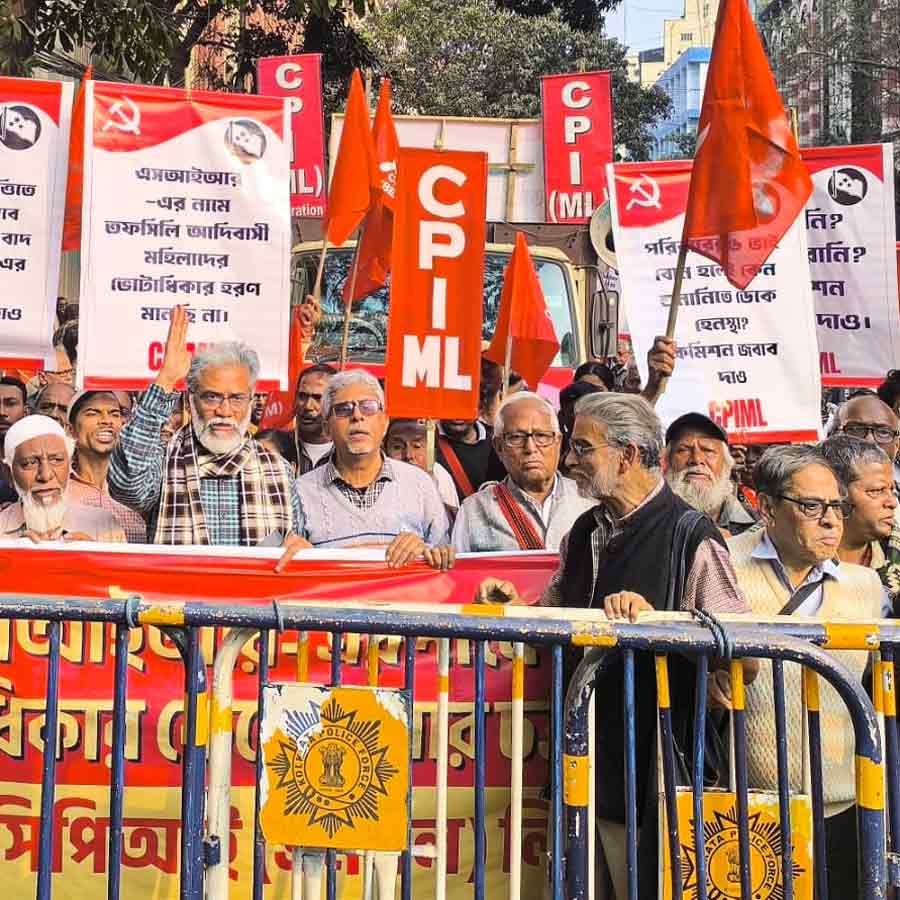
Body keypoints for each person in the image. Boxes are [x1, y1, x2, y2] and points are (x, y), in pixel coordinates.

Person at [475, 393, 756, 900]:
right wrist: (514, 605)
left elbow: (744, 656)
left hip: (657, 773)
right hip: (588, 761)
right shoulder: (584, 532)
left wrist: (659, 623)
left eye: (583, 447)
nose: (569, 460)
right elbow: (558, 611)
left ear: (626, 455)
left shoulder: (691, 535)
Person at [727, 444, 882, 898]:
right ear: (767, 507)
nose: (831, 520)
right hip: (748, 807)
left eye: (836, 505)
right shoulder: (721, 565)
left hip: (844, 805)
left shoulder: (866, 586)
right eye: (811, 506)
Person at [108, 306, 304, 555]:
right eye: (211, 397)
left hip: (256, 594)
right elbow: (129, 487)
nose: (224, 410)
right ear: (191, 400)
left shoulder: (279, 471)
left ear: (251, 400)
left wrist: (300, 548)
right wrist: (166, 381)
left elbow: (294, 545)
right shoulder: (165, 463)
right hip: (178, 593)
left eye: (236, 398)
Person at [279, 370, 453, 570]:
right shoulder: (301, 491)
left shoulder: (420, 484)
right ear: (327, 428)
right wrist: (300, 557)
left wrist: (424, 552)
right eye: (343, 409)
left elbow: (445, 562)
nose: (357, 416)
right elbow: (291, 568)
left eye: (368, 407)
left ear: (385, 422)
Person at [451, 392, 592, 552]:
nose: (530, 448)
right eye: (516, 437)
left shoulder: (588, 502)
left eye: (542, 436)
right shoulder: (474, 511)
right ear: (498, 447)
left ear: (558, 442)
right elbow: (460, 574)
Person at [1, 415, 125, 542]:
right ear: (9, 473)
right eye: (30, 463)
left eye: (56, 460)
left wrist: (92, 556)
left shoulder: (105, 525)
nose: (45, 475)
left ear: (69, 466)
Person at [822, 433, 900, 612]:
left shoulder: (894, 548)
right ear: (837, 493)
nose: (891, 502)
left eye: (891, 490)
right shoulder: (790, 552)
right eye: (877, 490)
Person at [66, 390, 148, 543]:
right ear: (71, 430)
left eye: (115, 414)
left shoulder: (141, 488)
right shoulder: (57, 489)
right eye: (92, 413)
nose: (106, 420)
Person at [663, 412, 757, 536]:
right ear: (667, 461)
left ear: (726, 463)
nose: (696, 459)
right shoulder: (646, 522)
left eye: (708, 450)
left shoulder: (757, 526)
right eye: (683, 450)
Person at [383, 418, 459, 516]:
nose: (408, 455)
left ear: (433, 453)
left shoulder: (441, 476)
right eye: (397, 447)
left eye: (417, 446)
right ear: (384, 450)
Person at [294, 363, 338, 474]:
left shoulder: (346, 453)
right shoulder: (279, 448)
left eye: (318, 398)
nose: (308, 406)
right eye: (302, 396)